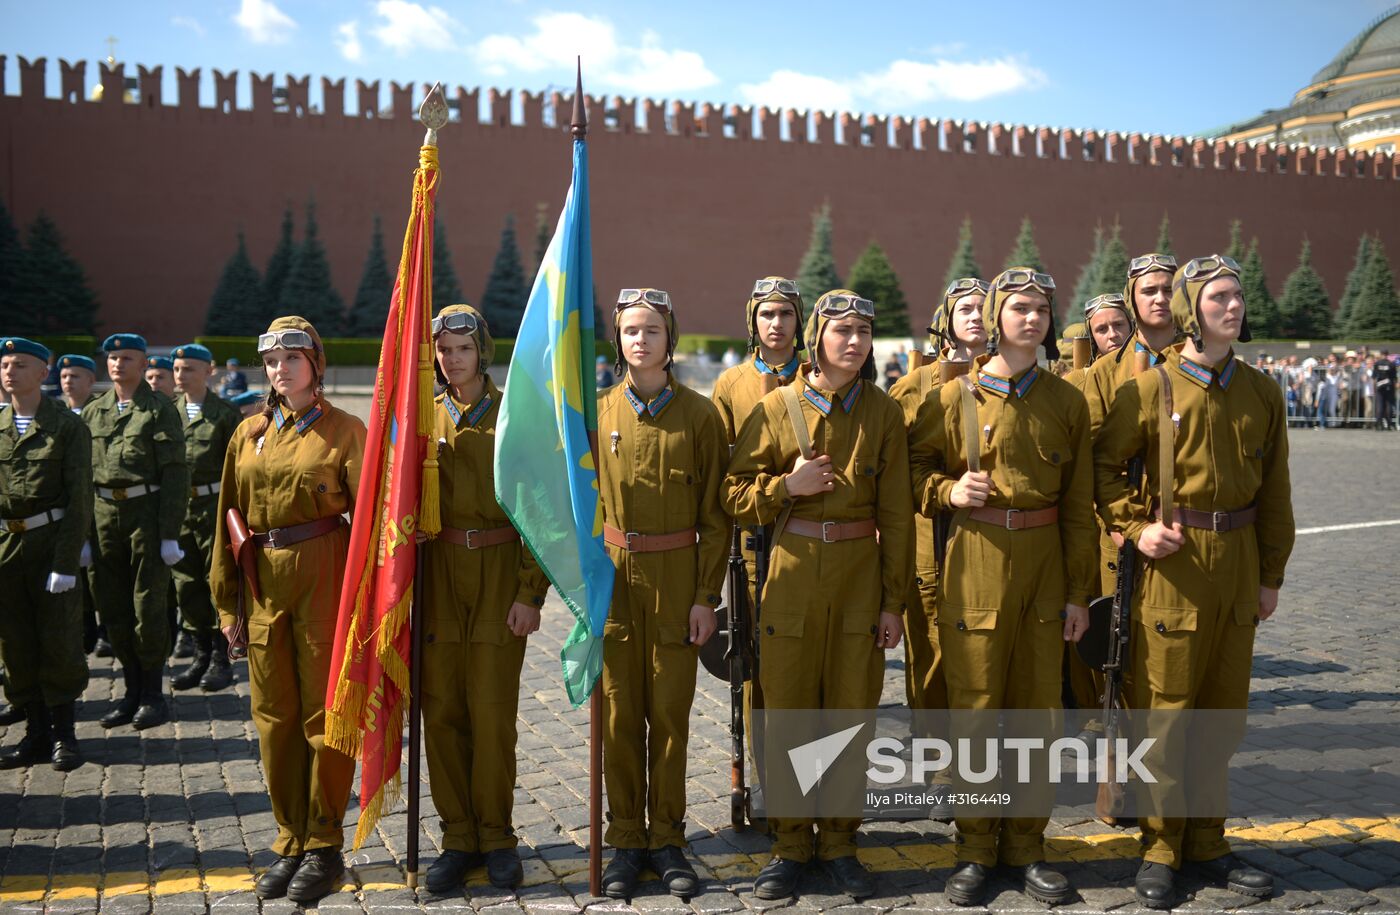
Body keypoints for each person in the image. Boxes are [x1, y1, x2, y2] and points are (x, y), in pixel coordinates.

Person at [1094, 255, 1293, 908]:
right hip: (1171, 566)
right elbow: (1104, 468)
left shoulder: (1263, 392)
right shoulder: (1153, 386)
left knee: (1221, 713)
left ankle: (1208, 840)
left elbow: (1276, 492)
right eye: (1217, 298)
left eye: (1237, 296)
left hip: (1236, 564)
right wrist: (1133, 526)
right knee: (1168, 713)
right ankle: (1160, 844)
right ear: (1188, 310)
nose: (1233, 307)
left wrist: (1270, 574)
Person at [908, 268, 1095, 907]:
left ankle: (1027, 845)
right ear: (994, 316)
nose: (1033, 318)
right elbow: (915, 471)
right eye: (1020, 307)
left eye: (1042, 308)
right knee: (976, 709)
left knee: (1038, 710)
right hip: (977, 556)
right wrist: (946, 491)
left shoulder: (1066, 400)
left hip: (1045, 558)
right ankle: (974, 847)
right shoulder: (952, 398)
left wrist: (1078, 592)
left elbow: (1078, 504)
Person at [724, 289, 912, 901]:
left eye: (863, 330)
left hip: (860, 575)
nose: (854, 341)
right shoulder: (778, 406)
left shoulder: (883, 413)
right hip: (793, 572)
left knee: (850, 711)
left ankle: (838, 841)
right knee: (789, 712)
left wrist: (893, 603)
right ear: (818, 339)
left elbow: (899, 515)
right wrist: (786, 487)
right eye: (842, 330)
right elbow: (731, 494)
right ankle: (788, 844)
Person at [209, 317, 365, 904]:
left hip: (324, 572)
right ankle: (289, 838)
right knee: (273, 718)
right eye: (272, 361)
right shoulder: (246, 432)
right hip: (262, 582)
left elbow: (371, 513)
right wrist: (227, 602)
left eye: (292, 359)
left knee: (324, 716)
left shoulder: (345, 430)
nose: (280, 370)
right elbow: (227, 516)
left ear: (316, 365)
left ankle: (324, 843)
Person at [596, 288, 728, 900]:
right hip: (616, 580)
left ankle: (669, 839)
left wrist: (705, 595)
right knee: (620, 715)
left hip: (678, 579)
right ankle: (625, 837)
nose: (640, 340)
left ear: (669, 337)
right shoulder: (598, 414)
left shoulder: (701, 416)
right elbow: (581, 507)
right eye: (630, 331)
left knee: (671, 716)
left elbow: (715, 517)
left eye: (651, 330)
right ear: (618, 340)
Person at [421, 305, 550, 893]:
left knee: (492, 715)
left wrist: (530, 591)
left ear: (483, 353)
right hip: (440, 574)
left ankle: (497, 836)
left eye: (463, 349)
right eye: (443, 350)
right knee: (443, 712)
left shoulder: (513, 415)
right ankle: (457, 837)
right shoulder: (421, 416)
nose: (453, 360)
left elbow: (536, 508)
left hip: (499, 568)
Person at [889, 278, 987, 715]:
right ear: (945, 320)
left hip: (988, 534)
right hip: (928, 533)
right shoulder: (912, 387)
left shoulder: (1013, 379)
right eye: (966, 308)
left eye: (986, 307)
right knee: (929, 646)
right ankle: (936, 757)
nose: (976, 315)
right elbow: (895, 470)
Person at [83, 334, 189, 731]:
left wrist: (168, 533)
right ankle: (130, 692)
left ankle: (152, 694)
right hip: (104, 516)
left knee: (148, 609)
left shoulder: (159, 409)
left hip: (146, 514)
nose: (117, 364)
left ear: (144, 364)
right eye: (112, 358)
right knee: (113, 608)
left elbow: (175, 473)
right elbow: (81, 476)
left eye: (127, 358)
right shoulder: (94, 412)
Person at [0, 338, 92, 772]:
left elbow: (79, 500)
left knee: (58, 640)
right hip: (7, 548)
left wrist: (65, 560)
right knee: (14, 642)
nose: (9, 372)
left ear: (43, 373)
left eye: (20, 364)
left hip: (50, 541)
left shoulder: (66, 426)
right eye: (4, 364)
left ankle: (64, 735)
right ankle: (34, 733)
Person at [168, 344, 241, 692]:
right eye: (178, 369)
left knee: (216, 581)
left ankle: (220, 657)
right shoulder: (169, 413)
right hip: (180, 509)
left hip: (214, 507)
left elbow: (238, 470)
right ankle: (200, 652)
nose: (182, 375)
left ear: (208, 372)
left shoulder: (224, 414)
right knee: (186, 582)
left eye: (190, 369)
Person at [1373, 350, 1395, 430]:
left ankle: (1379, 424)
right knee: (1388, 405)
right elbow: (1393, 377)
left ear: (1381, 354)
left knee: (1379, 405)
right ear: (1387, 355)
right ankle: (1389, 425)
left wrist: (1374, 387)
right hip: (1389, 387)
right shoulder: (1391, 364)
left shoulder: (1377, 363)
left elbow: (1374, 377)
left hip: (1379, 386)